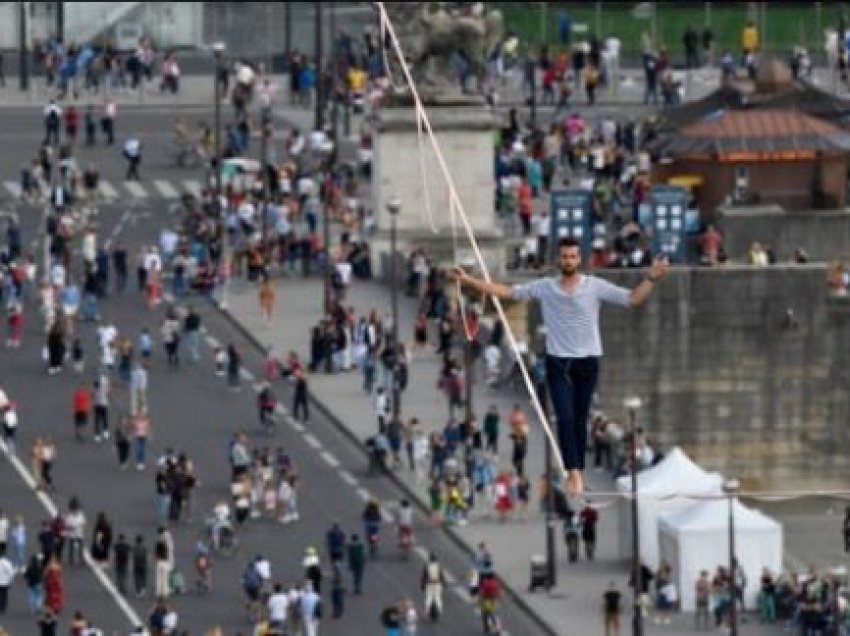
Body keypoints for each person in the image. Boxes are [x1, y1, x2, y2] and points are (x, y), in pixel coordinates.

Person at [449, 237, 669, 495]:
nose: (568, 261)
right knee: (564, 417)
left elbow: (632, 299)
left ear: (579, 260)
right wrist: (469, 281)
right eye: (564, 256)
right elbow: (508, 292)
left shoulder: (595, 287)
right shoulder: (545, 287)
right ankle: (574, 473)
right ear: (558, 260)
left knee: (578, 418)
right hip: (558, 362)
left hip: (587, 362)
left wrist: (652, 278)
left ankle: (578, 470)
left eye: (572, 256)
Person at [421, 552, 445, 621]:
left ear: (430, 559)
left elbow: (424, 576)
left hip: (429, 584)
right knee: (437, 597)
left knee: (429, 597)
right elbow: (442, 576)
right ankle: (440, 610)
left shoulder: (426, 566)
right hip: (437, 583)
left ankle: (427, 610)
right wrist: (444, 584)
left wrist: (423, 585)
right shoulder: (439, 566)